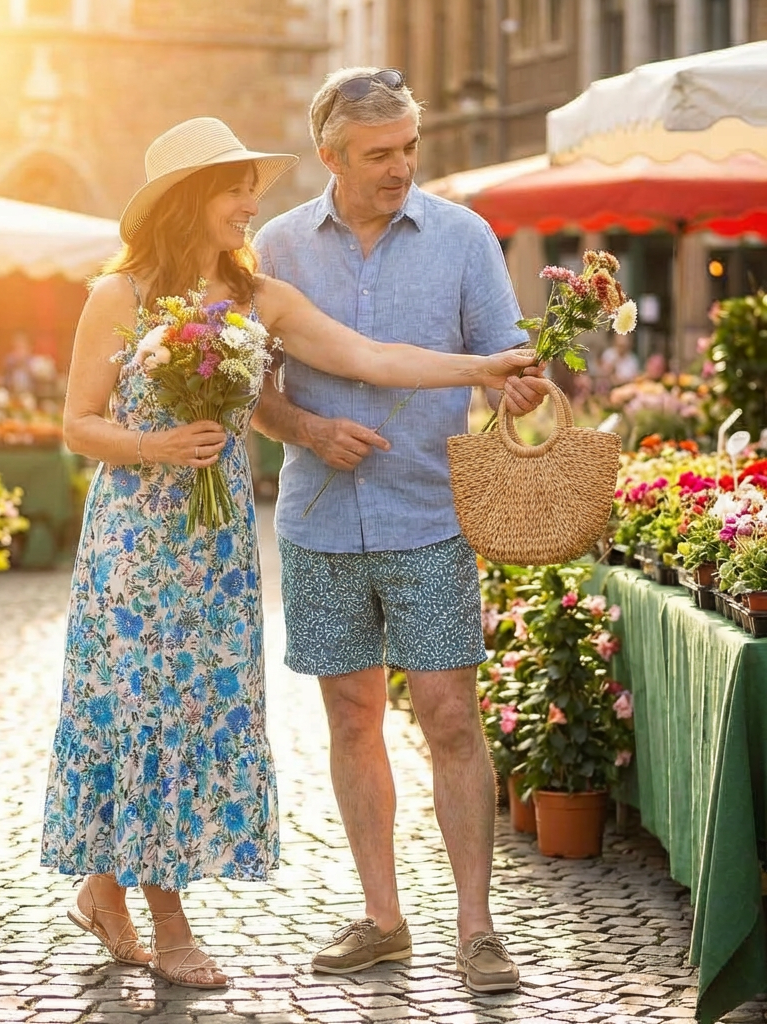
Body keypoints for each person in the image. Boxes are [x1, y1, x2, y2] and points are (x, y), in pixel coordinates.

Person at [41, 116, 537, 990]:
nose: (248, 208)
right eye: (234, 192)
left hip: (220, 543)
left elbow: (370, 357)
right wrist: (157, 447)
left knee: (193, 719)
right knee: (143, 716)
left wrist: (483, 370)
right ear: (188, 200)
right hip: (133, 547)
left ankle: (103, 890)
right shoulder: (116, 298)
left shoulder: (258, 297)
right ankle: (171, 922)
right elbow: (77, 424)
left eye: (252, 192)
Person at [251, 68, 547, 992]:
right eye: (379, 154)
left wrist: (521, 383)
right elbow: (251, 394)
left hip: (430, 516)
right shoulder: (277, 246)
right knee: (351, 718)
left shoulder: (463, 236)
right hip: (318, 520)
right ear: (331, 157)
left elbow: (508, 362)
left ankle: (477, 927)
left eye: (409, 148)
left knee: (452, 718)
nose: (401, 167)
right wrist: (305, 428)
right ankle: (383, 918)